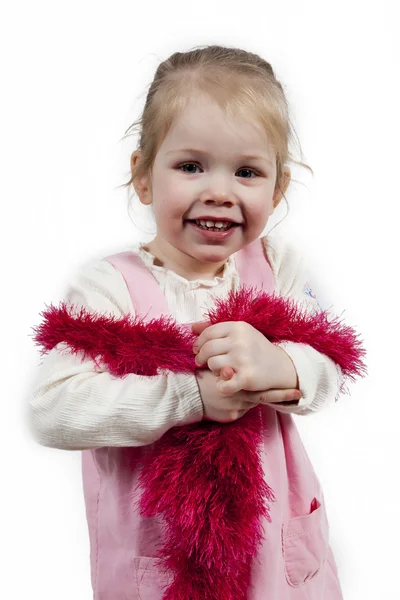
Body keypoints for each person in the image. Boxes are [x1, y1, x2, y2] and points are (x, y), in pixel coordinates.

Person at [29, 45, 346, 599]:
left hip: (276, 555)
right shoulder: (109, 289)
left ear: (277, 190)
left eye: (247, 171)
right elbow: (53, 410)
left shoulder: (280, 269)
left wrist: (282, 364)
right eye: (190, 166)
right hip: (164, 557)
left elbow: (332, 371)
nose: (219, 191)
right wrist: (190, 396)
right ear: (144, 175)